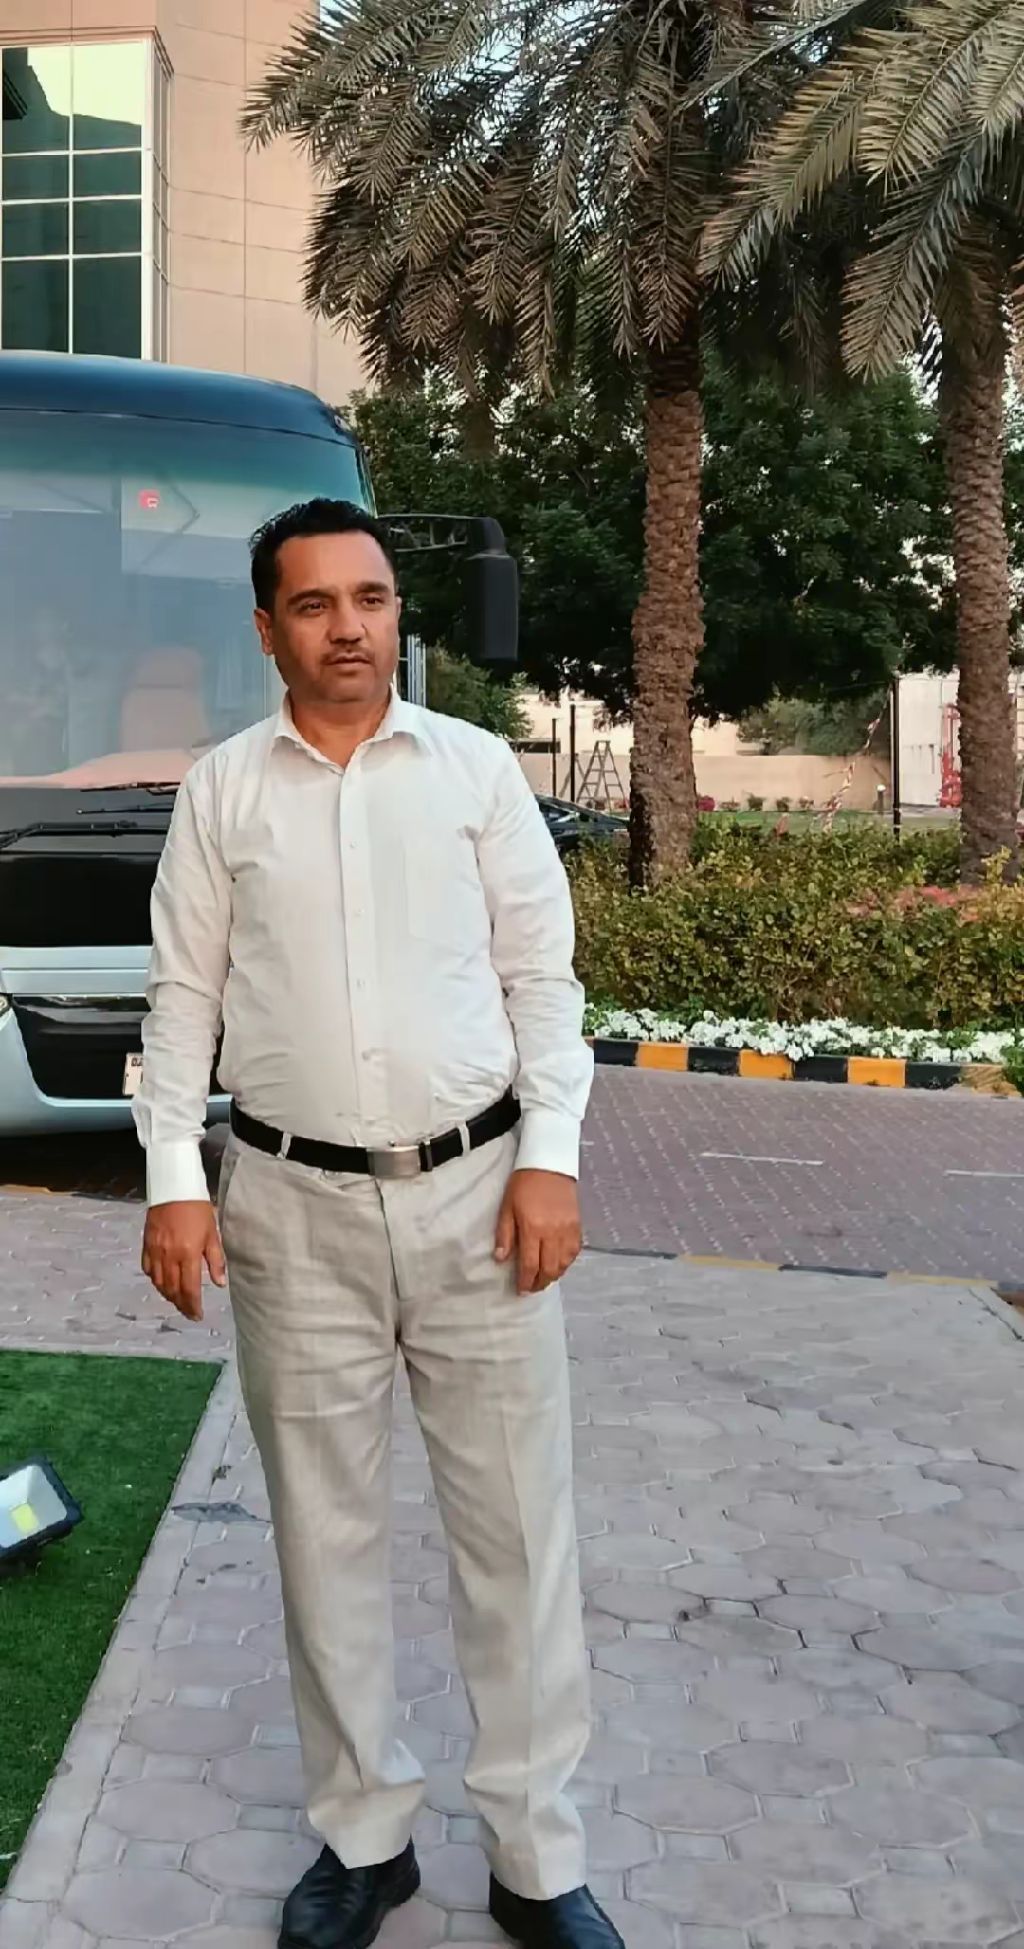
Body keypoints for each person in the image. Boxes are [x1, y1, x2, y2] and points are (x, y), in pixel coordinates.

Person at [133, 500, 622, 1949]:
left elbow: (544, 982)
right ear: (267, 627)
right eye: (314, 603)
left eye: (371, 597)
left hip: (484, 1203)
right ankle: (365, 1840)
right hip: (290, 1207)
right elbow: (184, 996)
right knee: (323, 1534)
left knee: (518, 1534)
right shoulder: (223, 792)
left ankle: (536, 1856)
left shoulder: (474, 772)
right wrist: (172, 1179)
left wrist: (552, 1158)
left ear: (399, 611)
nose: (349, 627)